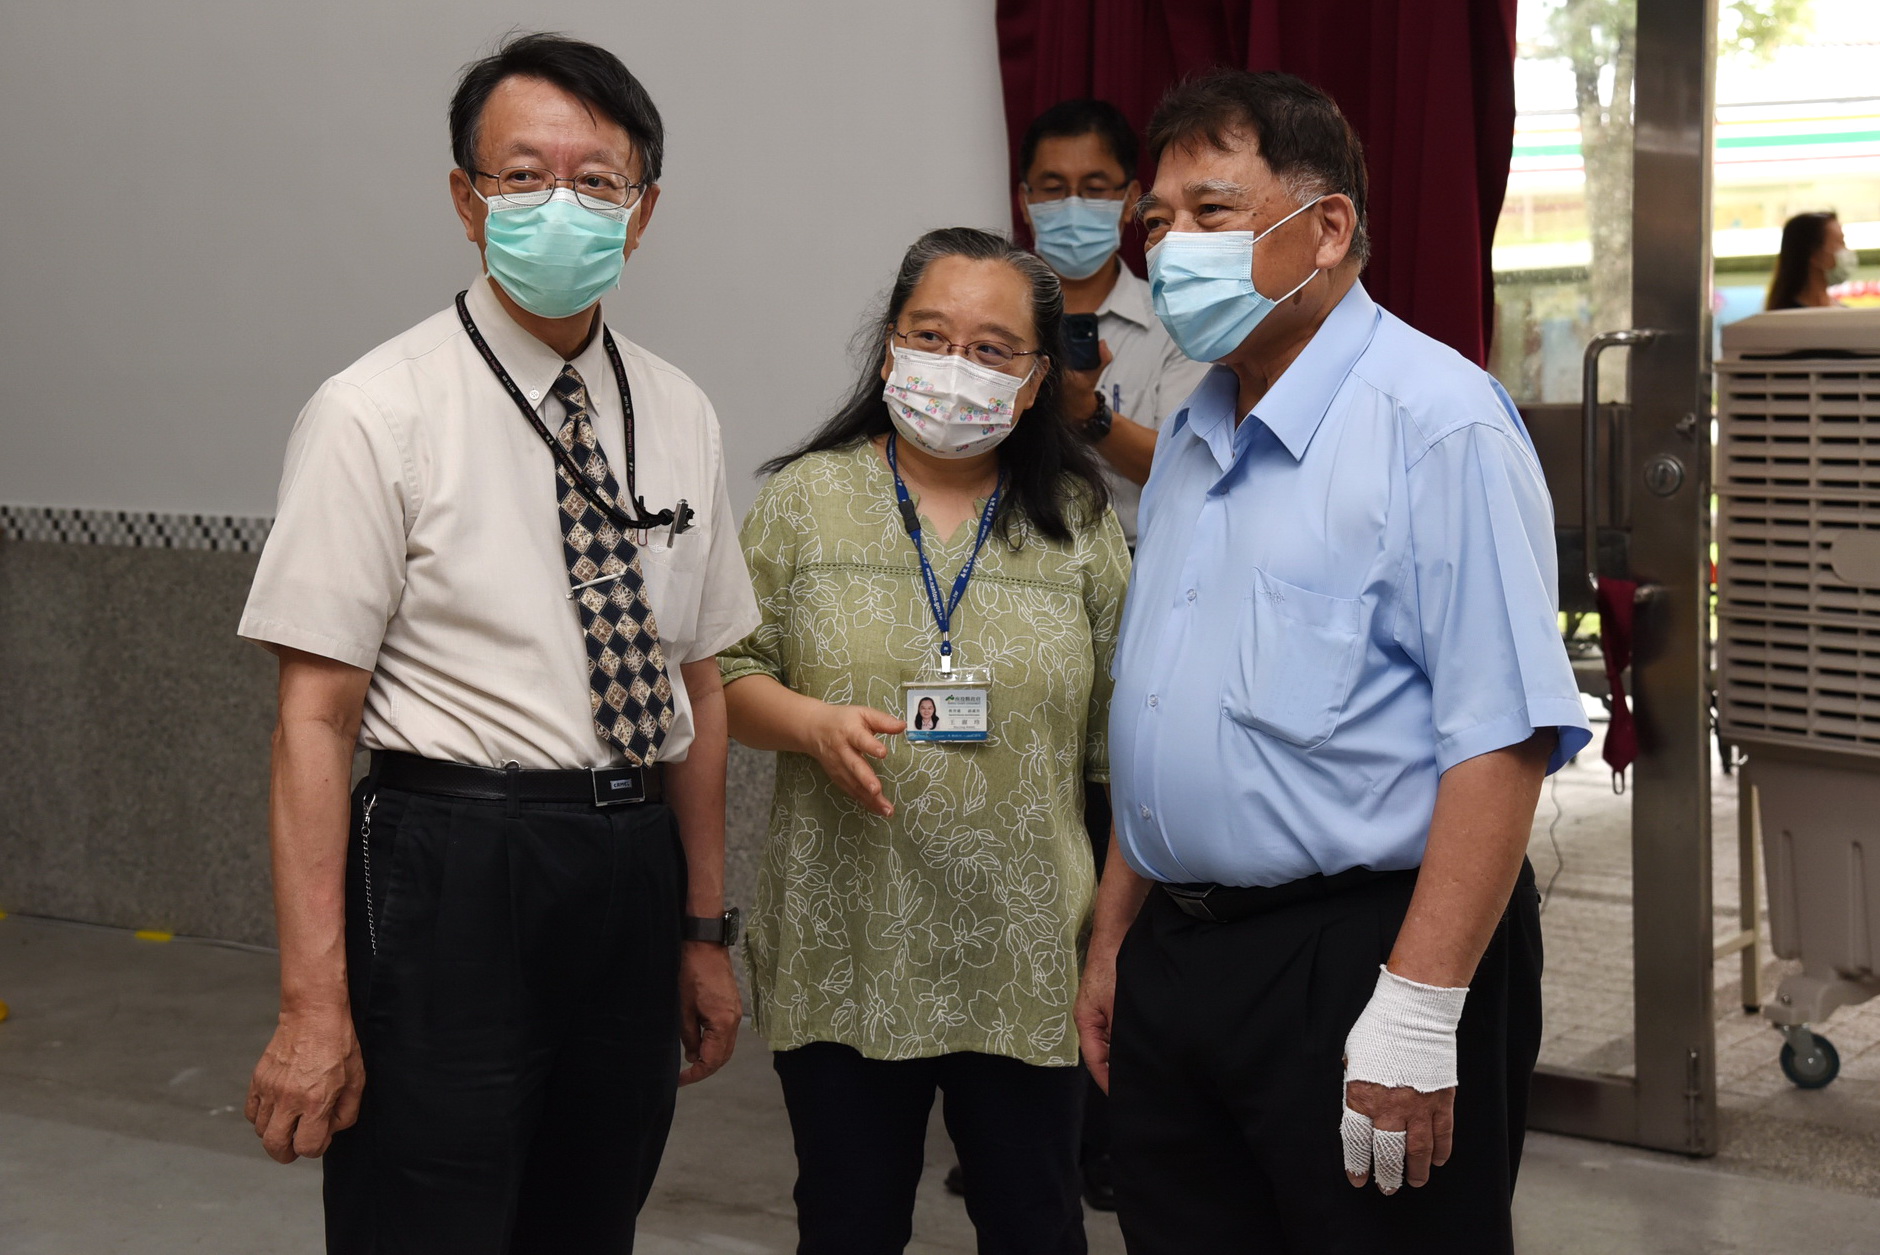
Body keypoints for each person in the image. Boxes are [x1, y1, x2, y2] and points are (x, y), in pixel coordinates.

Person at [236, 33, 759, 1253]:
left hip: (629, 862)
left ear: (643, 212)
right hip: (450, 859)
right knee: (429, 1209)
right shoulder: (375, 411)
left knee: (594, 1205)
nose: (560, 205)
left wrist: (700, 929)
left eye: (597, 179)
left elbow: (700, 684)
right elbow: (311, 720)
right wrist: (313, 1004)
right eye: (523, 177)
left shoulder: (677, 409)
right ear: (467, 200)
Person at [1075, 70, 1592, 1254]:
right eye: (1158, 222)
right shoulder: (1198, 427)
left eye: (1212, 212)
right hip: (1179, 953)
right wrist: (1113, 937)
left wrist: (1415, 1012)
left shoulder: (1435, 421)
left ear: (1326, 227)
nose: (1172, 247)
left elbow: (1502, 737)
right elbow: (1164, 711)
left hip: (1361, 954)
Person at [720, 226, 1130, 1255]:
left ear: (1036, 381)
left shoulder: (1079, 521)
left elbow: (1122, 756)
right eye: (931, 334)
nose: (957, 367)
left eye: (993, 350)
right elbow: (722, 676)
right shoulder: (805, 501)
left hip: (1027, 948)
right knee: (848, 1225)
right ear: (889, 346)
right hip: (846, 941)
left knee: (1036, 1225)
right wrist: (806, 723)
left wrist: (1115, 950)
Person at [1014, 95, 1211, 1213]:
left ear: (1131, 200)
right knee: (1022, 877)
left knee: (1109, 879)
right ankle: (1020, 1115)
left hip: (1139, 634)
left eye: (1097, 188)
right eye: (1053, 187)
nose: (1075, 209)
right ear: (1023, 197)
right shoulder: (992, 302)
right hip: (1013, 635)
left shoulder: (1180, 316)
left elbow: (1184, 465)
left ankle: (1109, 1129)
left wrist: (1082, 413)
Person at [1766, 210, 1855, 310]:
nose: (1846, 251)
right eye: (1840, 242)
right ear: (1814, 254)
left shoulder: (1843, 312)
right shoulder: (1785, 319)